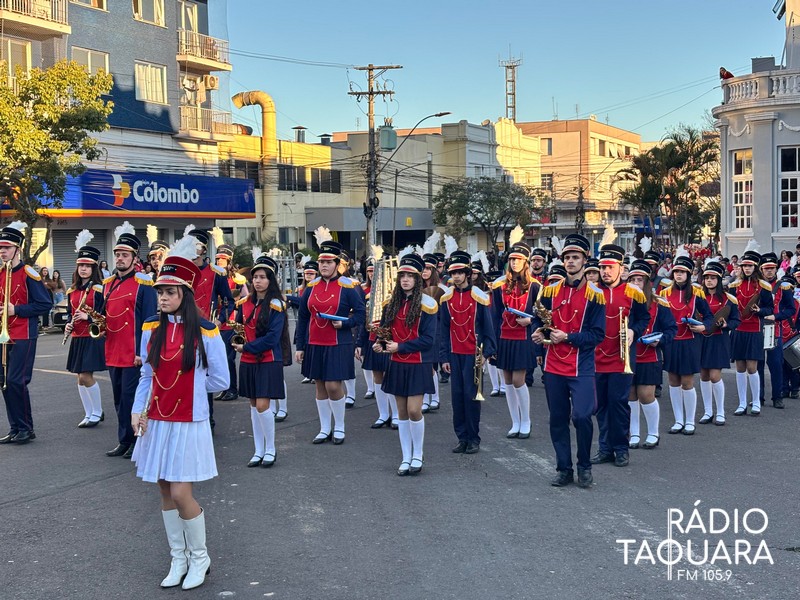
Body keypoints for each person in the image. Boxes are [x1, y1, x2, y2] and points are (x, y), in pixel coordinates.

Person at [130, 238, 229, 591]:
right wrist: (136, 411)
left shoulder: (205, 331)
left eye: (170, 292)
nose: (163, 298)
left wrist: (190, 391)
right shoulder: (151, 330)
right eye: (160, 293)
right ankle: (178, 557)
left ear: (184, 294)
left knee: (181, 491)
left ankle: (200, 557)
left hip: (189, 421)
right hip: (156, 420)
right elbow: (146, 375)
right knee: (163, 488)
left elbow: (221, 378)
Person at [532, 233, 605, 488]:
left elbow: (597, 334)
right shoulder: (550, 291)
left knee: (583, 416)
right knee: (557, 419)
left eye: (575, 257)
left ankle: (584, 465)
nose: (571, 261)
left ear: (585, 261)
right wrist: (539, 332)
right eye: (567, 257)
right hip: (553, 367)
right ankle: (564, 468)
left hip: (581, 366)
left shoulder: (596, 295)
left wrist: (569, 336)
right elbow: (538, 319)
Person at [295, 235, 365, 445]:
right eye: (321, 262)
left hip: (338, 342)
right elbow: (303, 317)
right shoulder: (311, 286)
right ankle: (325, 428)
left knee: (334, 386)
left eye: (328, 262)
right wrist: (300, 346)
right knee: (320, 385)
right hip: (315, 342)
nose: (324, 265)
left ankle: (340, 426)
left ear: (337, 264)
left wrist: (345, 324)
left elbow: (361, 314)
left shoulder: (349, 286)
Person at [376, 253, 438, 475]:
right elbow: (385, 332)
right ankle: (405, 457)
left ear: (418, 279)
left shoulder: (429, 304)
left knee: (414, 411)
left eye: (410, 276)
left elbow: (429, 340)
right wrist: (380, 344)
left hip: (418, 362)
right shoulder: (390, 304)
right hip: (396, 363)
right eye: (402, 275)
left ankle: (418, 455)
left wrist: (399, 347)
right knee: (401, 413)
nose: (405, 279)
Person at [590, 241, 649, 468]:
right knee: (601, 405)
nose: (605, 272)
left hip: (622, 357)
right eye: (602, 267)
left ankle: (621, 449)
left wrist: (635, 330)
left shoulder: (634, 292)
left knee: (619, 403)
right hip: (596, 357)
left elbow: (643, 318)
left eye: (610, 267)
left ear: (620, 269)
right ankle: (605, 448)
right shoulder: (592, 292)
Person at [102, 222, 158, 458]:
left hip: (133, 352)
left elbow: (148, 322)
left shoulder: (144, 283)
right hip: (113, 349)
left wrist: (142, 352)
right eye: (117, 254)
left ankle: (137, 440)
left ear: (135, 258)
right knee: (117, 398)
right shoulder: (108, 284)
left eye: (125, 254)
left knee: (131, 398)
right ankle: (124, 440)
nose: (120, 258)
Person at [0, 222, 53, 445]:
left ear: (18, 249)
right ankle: (15, 427)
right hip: (3, 335)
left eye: (7, 247)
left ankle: (26, 428)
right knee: (4, 381)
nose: (2, 251)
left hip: (23, 334)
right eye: (0, 247)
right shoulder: (1, 273)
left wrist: (16, 310)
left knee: (16, 380)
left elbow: (45, 304)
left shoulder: (29, 273)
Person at [232, 255, 286, 468]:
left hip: (268, 359)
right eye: (255, 277)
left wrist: (246, 347)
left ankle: (271, 449)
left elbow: (273, 338)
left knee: (263, 404)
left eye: (263, 277)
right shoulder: (244, 303)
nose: (257, 281)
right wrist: (235, 342)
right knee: (253, 405)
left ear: (270, 280)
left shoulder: (276, 305)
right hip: (247, 360)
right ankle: (258, 449)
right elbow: (237, 328)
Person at [439, 250, 496, 454]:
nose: (456, 276)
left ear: (467, 273)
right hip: (454, 354)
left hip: (474, 355)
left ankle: (474, 438)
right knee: (457, 397)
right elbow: (443, 330)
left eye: (460, 272)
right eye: (453, 273)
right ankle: (461, 437)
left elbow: (489, 328)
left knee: (472, 397)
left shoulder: (479, 297)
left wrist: (487, 352)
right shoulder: (445, 298)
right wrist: (443, 356)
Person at [490, 231, 539, 439]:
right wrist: (491, 344)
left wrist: (531, 320)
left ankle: (526, 420)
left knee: (519, 380)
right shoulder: (499, 285)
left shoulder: (536, 286)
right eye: (512, 259)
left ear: (525, 262)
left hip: (523, 338)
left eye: (518, 259)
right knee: (507, 380)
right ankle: (515, 422)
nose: (515, 262)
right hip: (504, 337)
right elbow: (493, 315)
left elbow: (543, 313)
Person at [185, 227, 234, 431]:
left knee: (205, 374)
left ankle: (208, 419)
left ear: (204, 249)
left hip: (207, 330)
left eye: (197, 245)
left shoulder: (217, 273)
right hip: (184, 328)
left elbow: (230, 302)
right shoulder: (183, 271)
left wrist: (220, 321)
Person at [660, 251, 714, 435]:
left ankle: (690, 421)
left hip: (690, 342)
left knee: (687, 382)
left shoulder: (697, 293)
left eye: (682, 272)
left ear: (689, 274)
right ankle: (678, 420)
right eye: (676, 272)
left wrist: (703, 327)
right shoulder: (664, 293)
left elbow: (709, 317)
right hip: (670, 342)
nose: (679, 275)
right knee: (673, 381)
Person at [627, 261, 677, 449]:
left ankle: (653, 432)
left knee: (646, 395)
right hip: (627, 355)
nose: (636, 283)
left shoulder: (659, 304)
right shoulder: (623, 301)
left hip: (650, 356)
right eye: (632, 279)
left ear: (648, 282)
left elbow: (672, 328)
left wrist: (660, 339)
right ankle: (634, 433)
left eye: (640, 280)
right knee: (630, 395)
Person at [64, 230, 107, 428]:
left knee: (85, 376)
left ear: (94, 268)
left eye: (87, 266)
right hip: (77, 335)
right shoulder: (71, 291)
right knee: (79, 379)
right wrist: (68, 323)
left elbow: (106, 316)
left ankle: (98, 412)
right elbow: (69, 312)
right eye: (81, 265)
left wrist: (88, 316)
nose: (83, 269)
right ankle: (89, 413)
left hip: (92, 336)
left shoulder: (99, 289)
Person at [728, 245, 773, 416]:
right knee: (739, 367)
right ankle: (741, 403)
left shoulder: (764, 287)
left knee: (752, 367)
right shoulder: (734, 285)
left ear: (755, 267)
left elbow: (770, 309)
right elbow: (730, 308)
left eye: (750, 266)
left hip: (754, 330)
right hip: (738, 330)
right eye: (744, 265)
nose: (746, 268)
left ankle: (756, 402)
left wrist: (759, 311)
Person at [358, 252, 399, 429]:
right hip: (372, 338)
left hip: (390, 339)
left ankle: (396, 414)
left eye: (377, 272)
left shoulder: (394, 295)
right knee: (377, 375)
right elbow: (364, 321)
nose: (373, 275)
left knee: (391, 375)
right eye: (371, 272)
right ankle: (383, 414)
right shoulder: (368, 295)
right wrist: (359, 343)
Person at [698, 261, 740, 425]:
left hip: (719, 340)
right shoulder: (698, 297)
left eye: (713, 277)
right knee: (703, 375)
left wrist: (726, 325)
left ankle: (720, 411)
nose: (709, 280)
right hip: (702, 338)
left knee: (715, 376)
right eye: (707, 277)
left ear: (719, 279)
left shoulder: (729, 300)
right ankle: (708, 411)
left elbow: (736, 320)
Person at [757, 252, 795, 409]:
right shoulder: (756, 286)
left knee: (776, 365)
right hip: (757, 329)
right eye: (766, 269)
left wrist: (777, 316)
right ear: (761, 270)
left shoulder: (784, 287)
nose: (769, 271)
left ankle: (777, 396)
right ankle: (758, 397)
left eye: (772, 268)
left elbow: (791, 309)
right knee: (757, 365)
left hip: (775, 330)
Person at [214, 237, 248, 404]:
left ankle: (232, 389)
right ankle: (225, 388)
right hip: (216, 323)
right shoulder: (214, 277)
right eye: (218, 258)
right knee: (219, 359)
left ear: (229, 261)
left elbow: (246, 299)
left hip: (231, 322)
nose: (220, 261)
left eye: (223, 259)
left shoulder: (237, 279)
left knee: (228, 358)